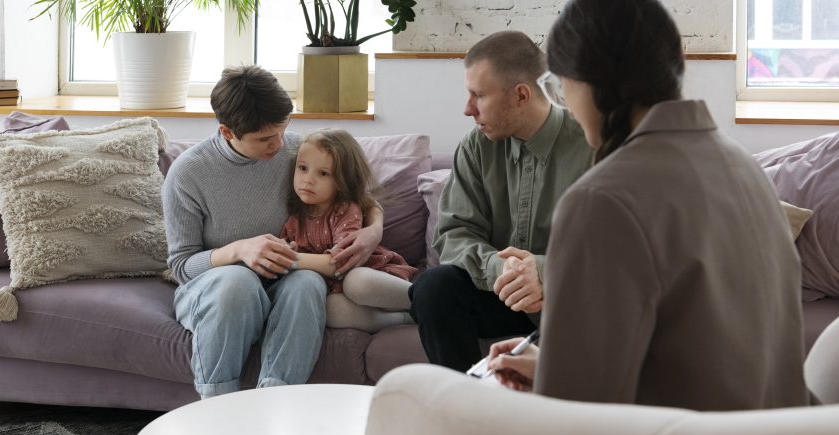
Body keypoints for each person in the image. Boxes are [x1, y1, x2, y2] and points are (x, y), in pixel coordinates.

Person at [488, 0, 810, 410]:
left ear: (587, 80)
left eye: (558, 86)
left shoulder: (601, 199)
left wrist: (552, 380)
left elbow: (574, 412)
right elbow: (703, 352)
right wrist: (551, 365)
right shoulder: (744, 168)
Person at [162, 65, 384, 398]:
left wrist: (373, 232)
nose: (279, 144)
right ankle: (216, 405)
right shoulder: (187, 174)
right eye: (265, 139)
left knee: (309, 282)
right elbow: (181, 267)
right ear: (226, 132)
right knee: (237, 280)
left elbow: (362, 198)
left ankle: (276, 400)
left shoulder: (299, 152)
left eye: (282, 130)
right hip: (218, 290)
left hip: (287, 279)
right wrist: (239, 251)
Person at [408, 30, 593, 372]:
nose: (467, 109)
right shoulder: (476, 147)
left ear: (521, 95)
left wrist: (541, 272)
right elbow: (454, 233)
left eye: (478, 95)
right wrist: (504, 269)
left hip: (569, 298)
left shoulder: (591, 144)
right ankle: (465, 406)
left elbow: (613, 251)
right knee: (433, 288)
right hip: (498, 292)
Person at [280, 128, 419, 325]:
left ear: (342, 180)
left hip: (371, 277)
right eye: (302, 168)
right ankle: (405, 318)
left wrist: (288, 259)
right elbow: (289, 250)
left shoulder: (344, 210)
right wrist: (287, 250)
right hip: (337, 290)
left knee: (357, 282)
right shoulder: (295, 218)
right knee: (331, 309)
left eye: (323, 173)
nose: (308, 179)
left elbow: (339, 264)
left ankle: (426, 300)